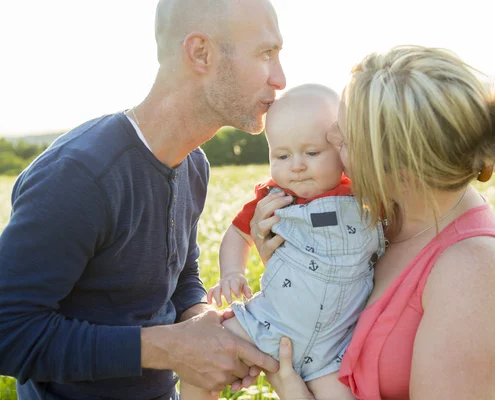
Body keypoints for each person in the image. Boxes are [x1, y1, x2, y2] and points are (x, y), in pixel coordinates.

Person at [0, 0, 286, 398]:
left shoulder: (194, 164)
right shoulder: (80, 176)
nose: (280, 77)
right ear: (201, 52)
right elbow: (8, 332)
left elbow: (181, 277)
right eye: (266, 53)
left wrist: (202, 323)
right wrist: (172, 347)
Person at [250, 46, 495, 399]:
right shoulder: (376, 214)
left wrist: (293, 389)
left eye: (346, 137)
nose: (331, 138)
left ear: (401, 172)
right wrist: (289, 264)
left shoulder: (476, 267)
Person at [182, 84, 386, 400]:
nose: (297, 165)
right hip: (268, 322)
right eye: (282, 155)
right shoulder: (273, 197)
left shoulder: (363, 195)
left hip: (333, 346)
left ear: (342, 149)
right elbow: (238, 233)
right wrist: (232, 272)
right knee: (201, 359)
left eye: (313, 153)